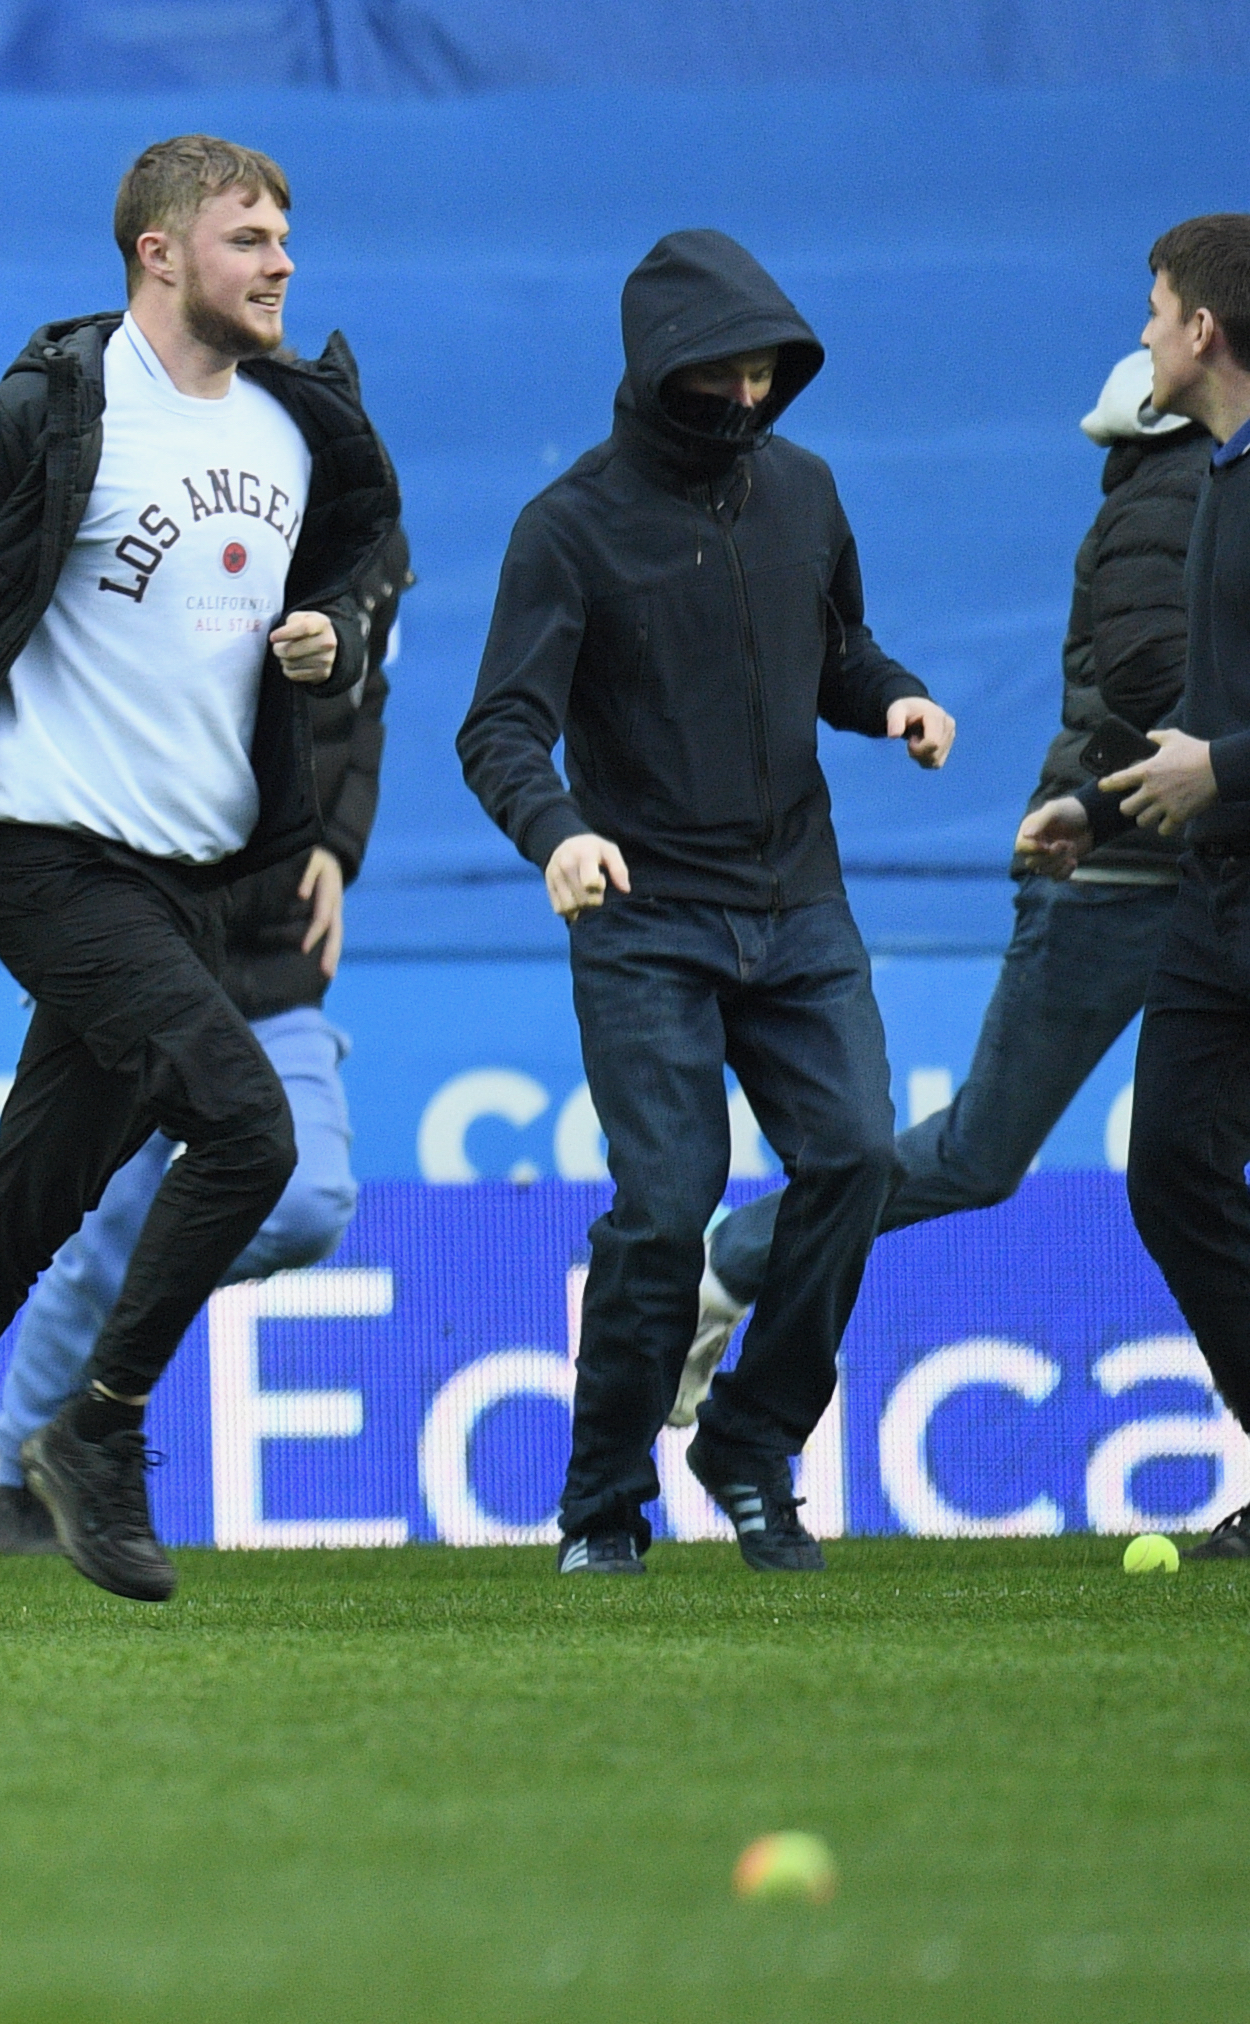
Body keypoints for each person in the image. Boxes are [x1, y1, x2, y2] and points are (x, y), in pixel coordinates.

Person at [0, 137, 402, 1632]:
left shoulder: (300, 425)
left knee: (31, 1206)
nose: (282, 263)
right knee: (248, 1131)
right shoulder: (56, 409)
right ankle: (98, 1426)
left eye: (287, 236)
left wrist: (331, 635)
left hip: (195, 874)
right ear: (158, 254)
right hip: (43, 851)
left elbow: (359, 571)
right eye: (250, 237)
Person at [459, 230, 942, 1578]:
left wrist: (891, 697)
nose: (743, 398)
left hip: (800, 906)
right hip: (645, 917)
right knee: (669, 1209)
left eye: (763, 373)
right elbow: (500, 726)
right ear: (656, 372)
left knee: (855, 1160)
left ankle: (748, 1440)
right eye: (715, 374)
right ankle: (605, 1502)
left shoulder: (809, 490)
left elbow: (837, 648)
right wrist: (555, 834)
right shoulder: (569, 526)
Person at [687, 325, 1202, 1393]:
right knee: (979, 1154)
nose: (1153, 329)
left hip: (1211, 863)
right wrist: (1097, 810)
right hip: (1116, 872)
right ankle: (732, 1261)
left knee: (1192, 1173)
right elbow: (1152, 689)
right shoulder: (1180, 481)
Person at [0, 479, 400, 1555]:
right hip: (136, 954)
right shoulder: (149, 525)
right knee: (93, 1228)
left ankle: (84, 1414)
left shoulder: (361, 540)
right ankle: (15, 1487)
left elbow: (370, 708)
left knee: (307, 1204)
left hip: (272, 965)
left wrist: (337, 855)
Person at [1091, 218, 1250, 1560]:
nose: (1143, 329)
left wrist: (1229, 769)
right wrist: (1094, 803)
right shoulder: (1217, 476)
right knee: (1173, 1174)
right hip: (1220, 898)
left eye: (1154, 308)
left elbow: (1226, 741)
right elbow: (1207, 713)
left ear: (1204, 329)